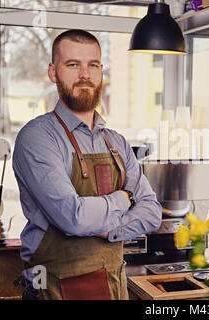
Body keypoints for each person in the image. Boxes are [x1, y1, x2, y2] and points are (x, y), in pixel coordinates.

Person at [12, 29, 162, 300]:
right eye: (73, 65)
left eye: (93, 65)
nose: (85, 75)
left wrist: (109, 230)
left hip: (114, 288)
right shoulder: (37, 138)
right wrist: (123, 198)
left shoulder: (116, 142)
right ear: (53, 72)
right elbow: (73, 217)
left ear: (101, 71)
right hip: (52, 290)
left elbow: (151, 212)